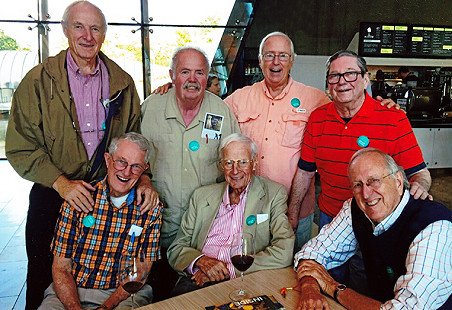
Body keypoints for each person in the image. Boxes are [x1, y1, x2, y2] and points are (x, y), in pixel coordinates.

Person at [152, 33, 396, 252]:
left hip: (297, 210)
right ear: (260, 61)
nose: (275, 62)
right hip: (249, 210)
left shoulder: (315, 99)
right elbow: (205, 108)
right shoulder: (238, 99)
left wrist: (381, 104)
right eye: (269, 55)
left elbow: (348, 107)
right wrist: (173, 87)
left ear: (291, 61)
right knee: (251, 270)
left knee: (294, 270)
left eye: (282, 56)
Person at [5, 1, 158, 308]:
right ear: (65, 30)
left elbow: (134, 141)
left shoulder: (123, 82)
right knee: (43, 277)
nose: (87, 36)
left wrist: (143, 180)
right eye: (79, 27)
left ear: (104, 34)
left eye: (95, 28)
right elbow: (21, 145)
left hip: (107, 198)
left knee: (110, 271)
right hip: (52, 195)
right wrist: (61, 184)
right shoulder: (37, 81)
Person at [294, 148, 452, 310]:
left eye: (374, 181)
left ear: (397, 181)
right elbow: (311, 253)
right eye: (358, 184)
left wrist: (333, 287)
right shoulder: (356, 209)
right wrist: (311, 289)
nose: (366, 193)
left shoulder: (435, 230)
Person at [289, 50, 431, 233]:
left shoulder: (393, 119)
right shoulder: (317, 119)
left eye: (350, 74)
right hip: (331, 218)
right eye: (335, 76)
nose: (342, 81)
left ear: (365, 79)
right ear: (328, 83)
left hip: (378, 221)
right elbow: (305, 173)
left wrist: (419, 185)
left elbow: (419, 172)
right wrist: (292, 214)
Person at [140, 46, 240, 300]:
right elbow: (133, 159)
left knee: (196, 297)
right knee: (158, 293)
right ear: (172, 75)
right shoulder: (151, 108)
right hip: (159, 225)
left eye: (200, 72)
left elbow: (235, 165)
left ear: (208, 77)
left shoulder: (222, 111)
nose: (193, 79)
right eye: (185, 72)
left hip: (204, 231)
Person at [38, 132, 163, 310]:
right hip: (71, 290)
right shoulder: (78, 199)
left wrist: (105, 307)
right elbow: (61, 268)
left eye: (136, 166)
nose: (126, 172)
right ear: (107, 159)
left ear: (144, 169)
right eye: (121, 161)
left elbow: (140, 272)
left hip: (123, 294)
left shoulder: (150, 209)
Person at [167, 133, 294, 295]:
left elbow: (284, 250)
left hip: (247, 277)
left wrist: (228, 270)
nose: (235, 170)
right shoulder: (201, 196)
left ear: (254, 163)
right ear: (221, 165)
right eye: (229, 163)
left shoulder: (274, 193)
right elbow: (176, 249)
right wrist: (201, 261)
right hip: (198, 277)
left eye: (242, 162)